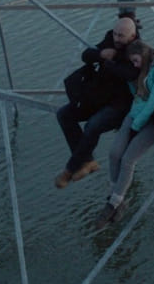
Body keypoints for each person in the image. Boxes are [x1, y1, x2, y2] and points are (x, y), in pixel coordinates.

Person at [96, 38, 154, 229]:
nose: (135, 65)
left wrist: (136, 126)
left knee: (128, 159)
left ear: (144, 55)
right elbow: (139, 94)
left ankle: (113, 203)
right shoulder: (145, 68)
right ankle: (116, 196)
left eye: (136, 61)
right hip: (138, 111)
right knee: (114, 154)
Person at [54, 14, 141, 189]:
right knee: (64, 114)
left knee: (93, 125)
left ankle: (70, 169)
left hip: (119, 105)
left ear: (132, 36)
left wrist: (110, 63)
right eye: (115, 34)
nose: (116, 38)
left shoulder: (137, 49)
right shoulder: (110, 39)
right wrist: (101, 54)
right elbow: (86, 55)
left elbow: (131, 73)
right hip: (97, 98)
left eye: (121, 36)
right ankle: (87, 161)